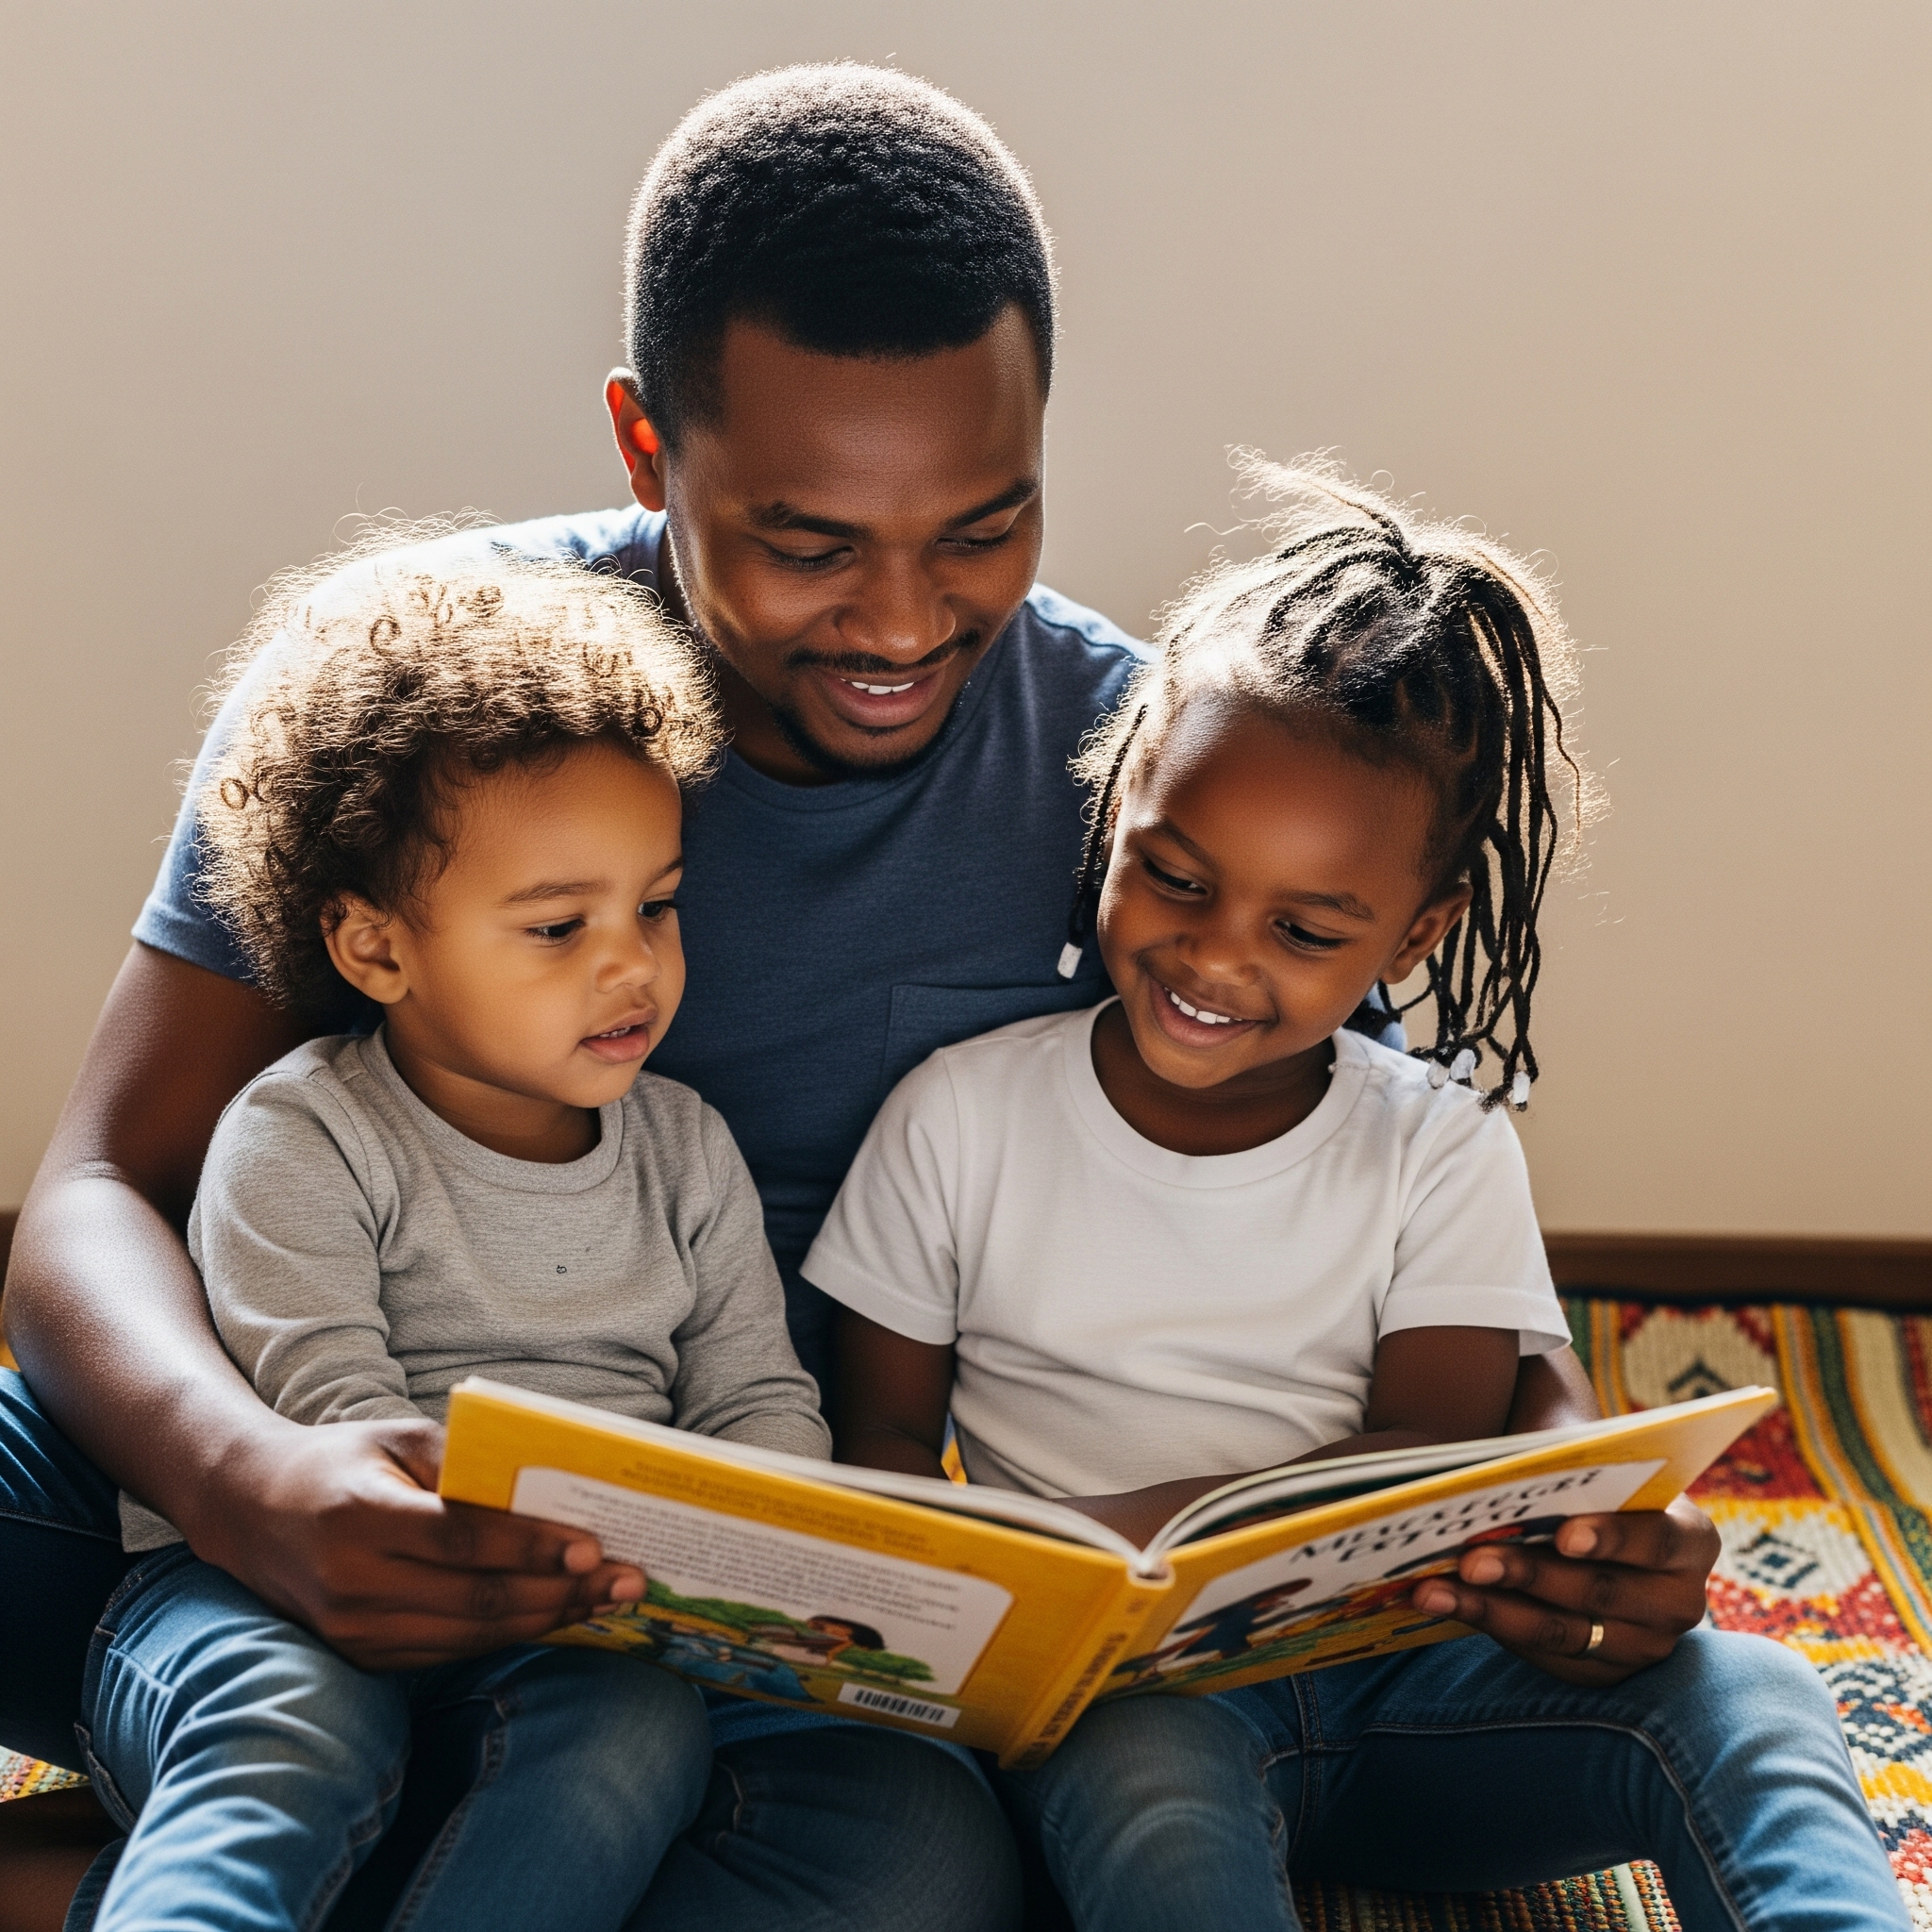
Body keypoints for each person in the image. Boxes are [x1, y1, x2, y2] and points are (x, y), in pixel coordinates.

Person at [2, 64, 1725, 1930]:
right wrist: (254, 1481)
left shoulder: (1147, 778)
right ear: (647, 449)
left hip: (754, 1573)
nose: (905, 622)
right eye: (809, 542)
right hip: (325, 1456)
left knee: (921, 1875)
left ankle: (206, 1858)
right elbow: (98, 1189)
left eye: (983, 527)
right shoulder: (433, 690)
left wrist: (1567, 1484)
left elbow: (1393, 1175)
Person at [814, 463, 1906, 1932]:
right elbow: (881, 1441)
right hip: (1143, 1708)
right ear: (1117, 801)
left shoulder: (1435, 1145)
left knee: (1757, 1689)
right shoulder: (959, 1117)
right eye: (1177, 878)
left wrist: (1159, 1529)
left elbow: (1433, 1458)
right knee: (1147, 1784)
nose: (1214, 958)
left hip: (1426, 1696)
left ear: (1415, 934)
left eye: (1308, 927)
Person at [70, 547, 830, 1931]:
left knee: (662, 1742)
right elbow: (335, 1408)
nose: (632, 966)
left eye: (654, 906)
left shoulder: (687, 1147)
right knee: (291, 1730)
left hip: (581, 1626)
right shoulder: (303, 1135)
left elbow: (757, 1396)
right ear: (374, 950)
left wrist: (767, 1548)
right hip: (277, 1595)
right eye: (557, 928)